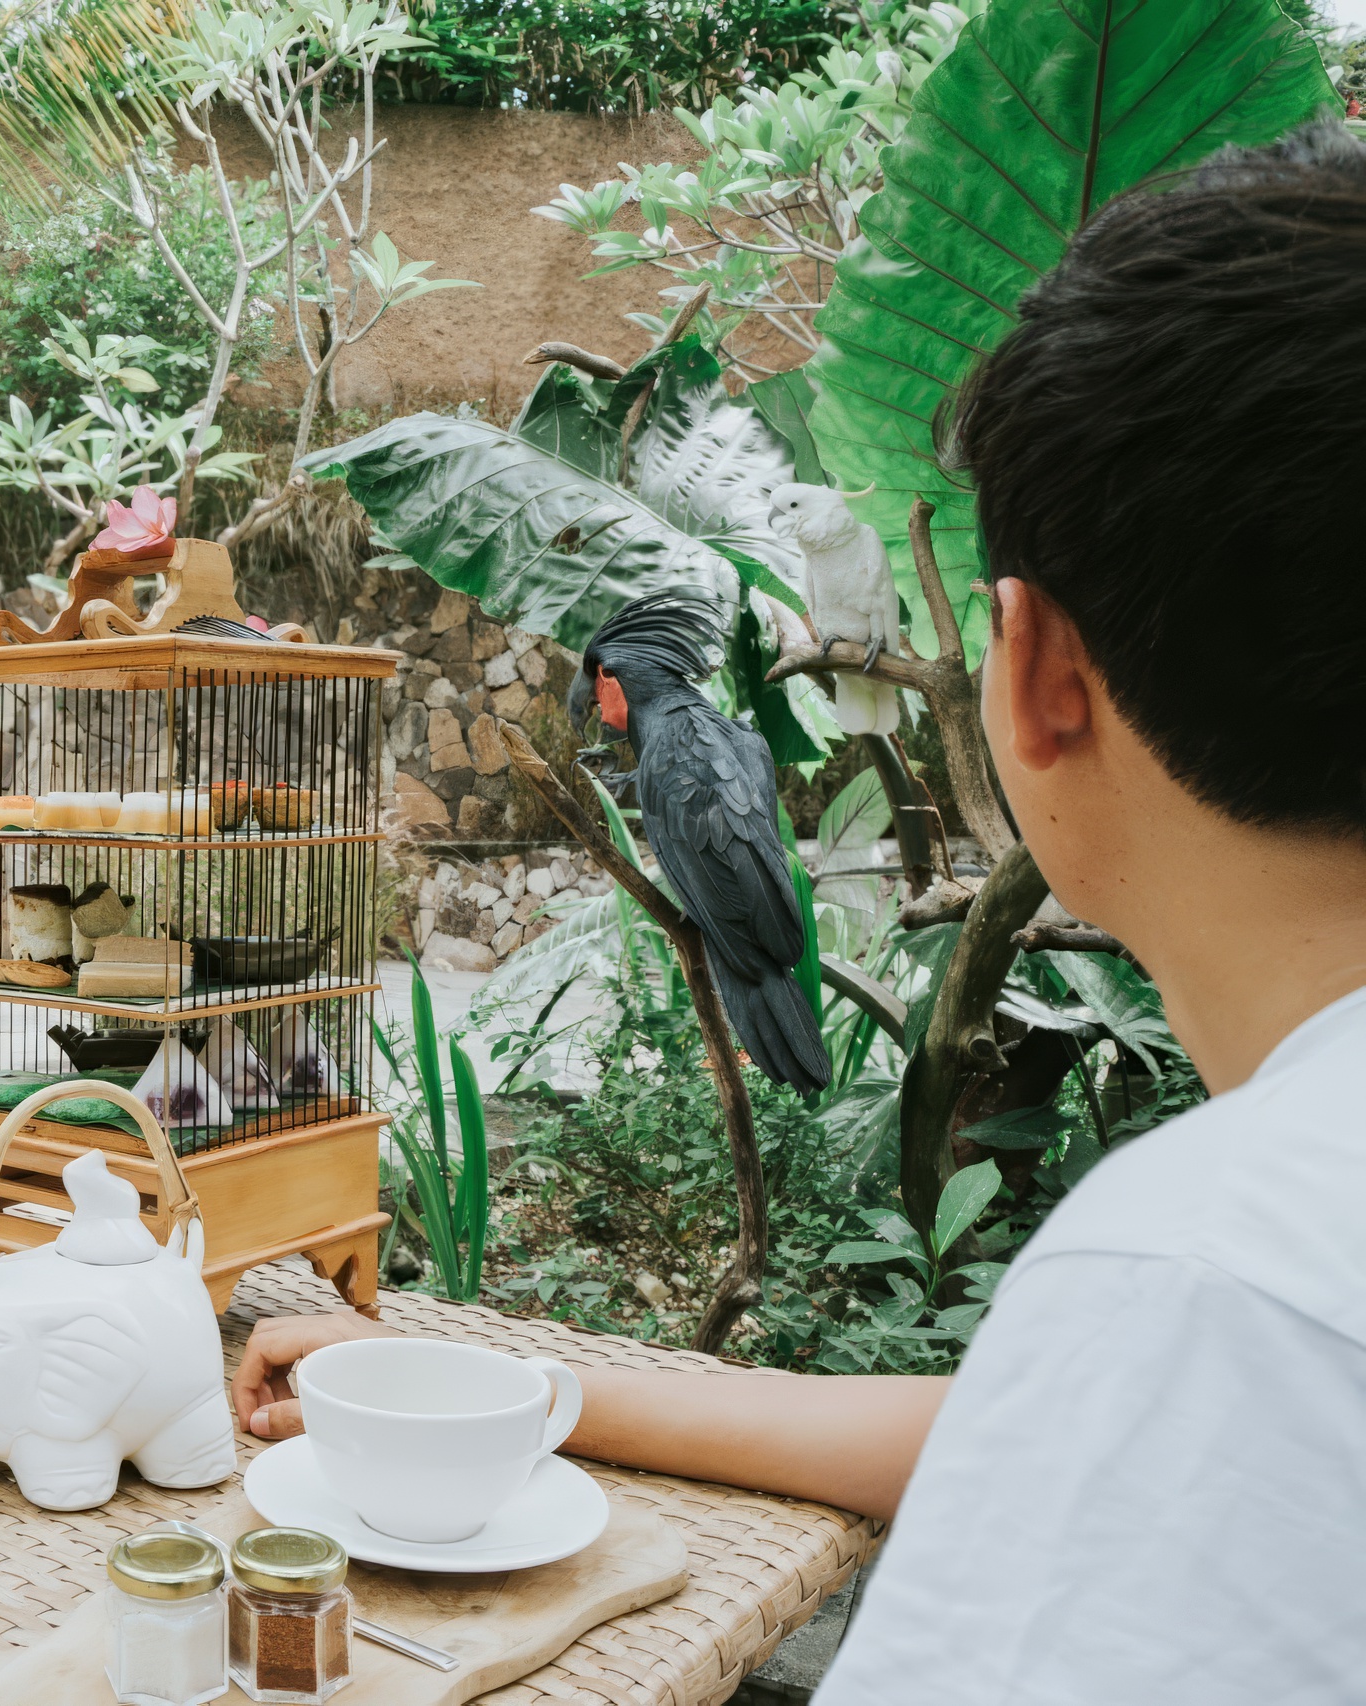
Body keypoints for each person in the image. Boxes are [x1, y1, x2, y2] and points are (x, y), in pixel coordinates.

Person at [236, 121, 1366, 1701]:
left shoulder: (1202, 1277)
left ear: (1037, 674)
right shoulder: (1217, 1304)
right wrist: (504, 1378)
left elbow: (1161, 1360)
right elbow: (1052, 1414)